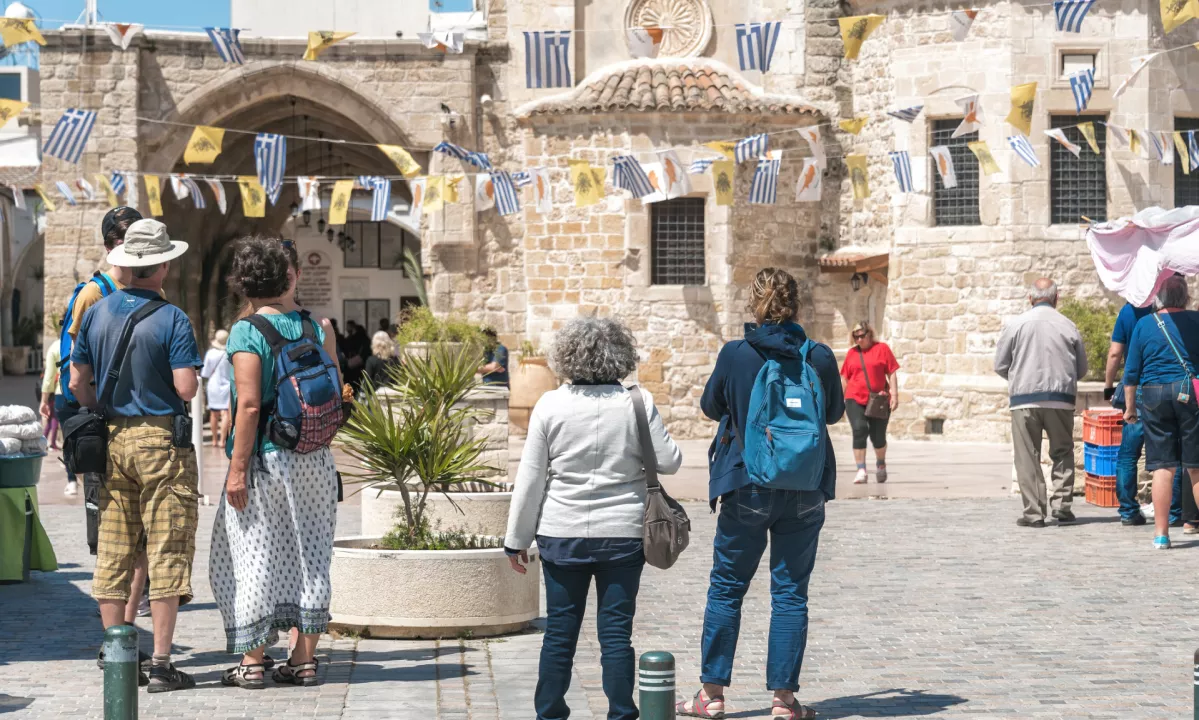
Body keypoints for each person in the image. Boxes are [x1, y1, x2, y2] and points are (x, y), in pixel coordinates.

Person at [680, 268, 844, 720]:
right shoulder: (819, 356)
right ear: (797, 305)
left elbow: (710, 406)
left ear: (753, 304)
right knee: (791, 594)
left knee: (728, 588)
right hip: (806, 488)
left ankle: (710, 695)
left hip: (746, 484)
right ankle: (784, 703)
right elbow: (832, 413)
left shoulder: (735, 354)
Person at [505, 316, 682, 720]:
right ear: (621, 354)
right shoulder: (638, 402)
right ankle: (621, 711)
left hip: (561, 533)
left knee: (560, 633)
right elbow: (670, 461)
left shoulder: (551, 404)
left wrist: (516, 539)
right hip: (622, 534)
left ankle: (550, 712)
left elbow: (530, 478)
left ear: (566, 357)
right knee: (616, 633)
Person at [68, 219, 201, 693]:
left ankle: (118, 651)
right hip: (161, 440)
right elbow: (186, 386)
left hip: (111, 440)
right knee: (166, 546)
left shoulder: (97, 313)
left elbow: (75, 384)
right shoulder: (172, 318)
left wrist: (101, 405)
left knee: (115, 547)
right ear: (162, 264)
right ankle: (162, 664)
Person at [210, 237, 342, 689]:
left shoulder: (248, 333)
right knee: (312, 555)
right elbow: (336, 393)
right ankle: (304, 660)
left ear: (243, 284)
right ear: (292, 277)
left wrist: (236, 469)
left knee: (254, 555)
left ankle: (251, 661)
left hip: (267, 461)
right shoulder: (319, 327)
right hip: (315, 459)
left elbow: (248, 406)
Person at [994, 278, 1087, 528]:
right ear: (1057, 298)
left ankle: (1034, 513)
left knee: (1027, 456)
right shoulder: (1068, 326)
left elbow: (1000, 365)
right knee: (1062, 452)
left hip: (1024, 399)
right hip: (1061, 400)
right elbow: (1081, 369)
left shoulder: (1015, 325)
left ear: (1030, 298)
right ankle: (1063, 508)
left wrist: (1019, 378)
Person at [1121, 275, 1199, 549]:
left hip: (1153, 394)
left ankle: (1161, 535)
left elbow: (1131, 373)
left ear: (1159, 297)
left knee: (1162, 467)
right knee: (1195, 467)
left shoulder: (1144, 324)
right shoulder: (1196, 320)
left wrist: (1130, 409)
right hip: (1189, 392)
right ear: (1185, 297)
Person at [1105, 298, 1191, 529]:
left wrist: (1108, 385)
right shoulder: (1178, 314)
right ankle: (1173, 513)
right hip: (1169, 388)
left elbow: (1115, 353)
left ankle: (1128, 511)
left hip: (1137, 391)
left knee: (1128, 454)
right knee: (1174, 455)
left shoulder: (1128, 311)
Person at [839, 321, 899, 484]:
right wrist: (838, 399)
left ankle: (880, 463)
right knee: (859, 429)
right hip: (854, 398)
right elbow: (844, 377)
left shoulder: (882, 349)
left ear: (869, 334)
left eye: (862, 336)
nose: (859, 340)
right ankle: (861, 470)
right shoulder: (852, 353)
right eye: (855, 337)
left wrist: (894, 394)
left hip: (878, 399)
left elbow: (892, 371)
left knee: (878, 436)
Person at [201, 330, 233, 449]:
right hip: (226, 385)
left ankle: (214, 439)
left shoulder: (210, 353)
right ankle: (222, 440)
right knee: (225, 413)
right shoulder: (229, 353)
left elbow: (206, 373)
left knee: (214, 414)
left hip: (213, 385)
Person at [40, 337, 61, 453]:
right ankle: (51, 443)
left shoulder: (55, 346)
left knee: (51, 419)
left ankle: (44, 442)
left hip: (56, 393)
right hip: (63, 392)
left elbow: (48, 377)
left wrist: (44, 400)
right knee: (53, 419)